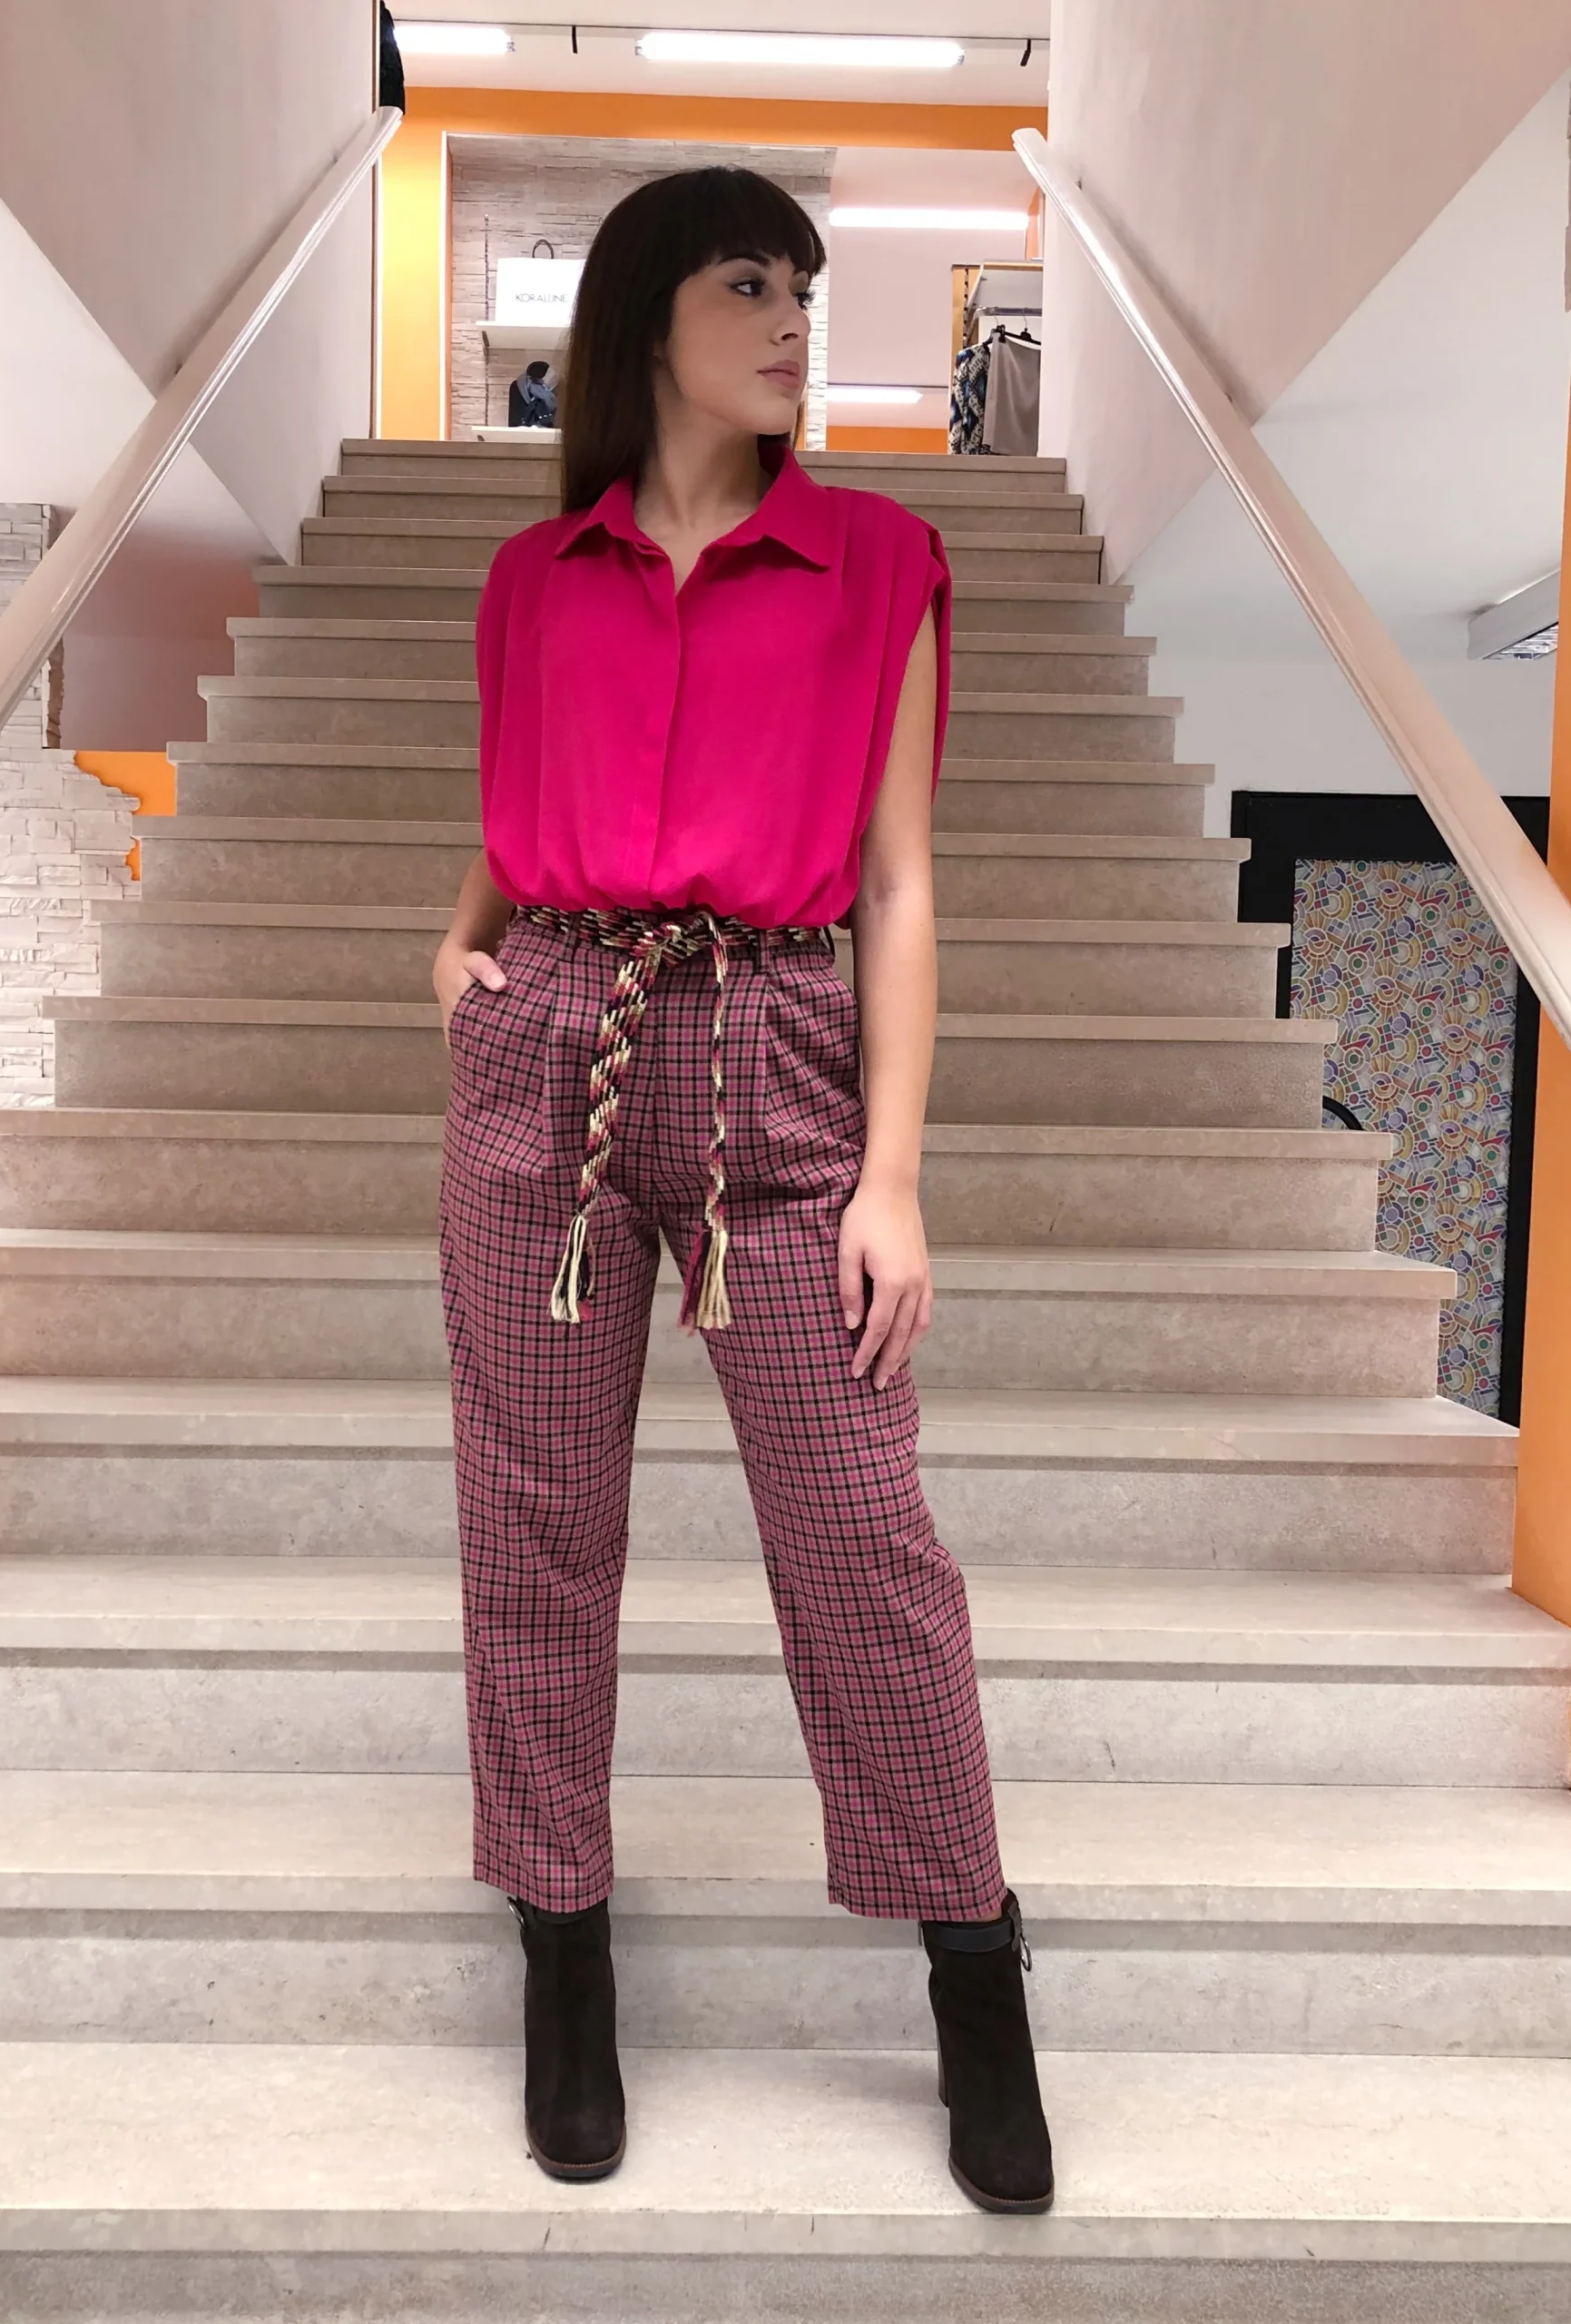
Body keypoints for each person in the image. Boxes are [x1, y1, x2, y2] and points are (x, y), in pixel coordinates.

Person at [433, 165, 1054, 2215]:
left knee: (862, 1534)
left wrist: (895, 1172)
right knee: (536, 1527)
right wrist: (460, 945)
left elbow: (898, 882)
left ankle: (975, 1967)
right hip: (552, 1046)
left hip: (782, 1059)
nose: (795, 318)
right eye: (748, 284)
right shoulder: (536, 578)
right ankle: (564, 1953)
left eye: (804, 283)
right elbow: (516, 804)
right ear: (647, 320)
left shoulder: (880, 560)